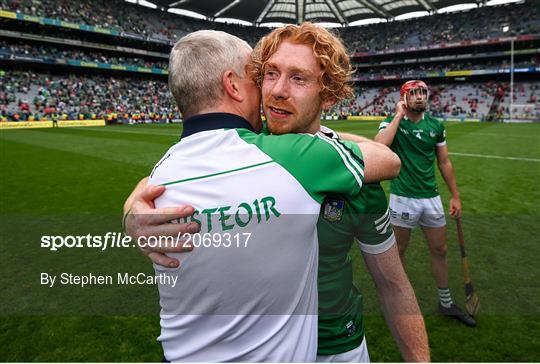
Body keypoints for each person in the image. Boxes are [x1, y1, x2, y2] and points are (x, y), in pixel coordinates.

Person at [125, 24, 429, 362]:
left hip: (337, 349)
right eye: (270, 74)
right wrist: (133, 212)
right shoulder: (243, 150)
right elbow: (178, 171)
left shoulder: (358, 180)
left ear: (327, 95)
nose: (278, 91)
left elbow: (392, 285)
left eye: (299, 78)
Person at [374, 79, 476, 327]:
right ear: (404, 98)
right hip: (403, 198)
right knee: (398, 252)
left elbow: (444, 162)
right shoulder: (392, 122)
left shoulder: (436, 126)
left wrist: (455, 195)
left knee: (440, 250)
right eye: (414, 93)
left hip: (431, 198)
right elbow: (379, 147)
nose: (420, 96)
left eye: (423, 92)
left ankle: (445, 302)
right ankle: (401, 301)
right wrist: (398, 116)